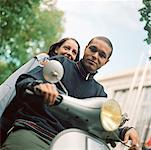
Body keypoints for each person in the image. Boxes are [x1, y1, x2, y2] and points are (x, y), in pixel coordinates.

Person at [1, 36, 139, 150]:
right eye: (93, 49)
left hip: (69, 145)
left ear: (106, 62)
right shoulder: (60, 62)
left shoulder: (100, 93)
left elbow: (101, 126)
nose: (95, 56)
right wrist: (39, 86)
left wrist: (125, 131)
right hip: (36, 132)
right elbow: (24, 81)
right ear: (86, 49)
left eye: (102, 55)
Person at [0, 37, 80, 145]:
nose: (69, 53)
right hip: (10, 116)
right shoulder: (44, 59)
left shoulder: (68, 82)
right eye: (66, 48)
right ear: (56, 49)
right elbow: (14, 82)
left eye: (74, 52)